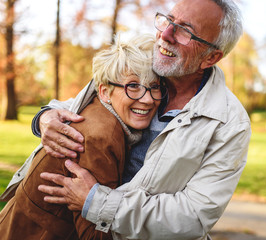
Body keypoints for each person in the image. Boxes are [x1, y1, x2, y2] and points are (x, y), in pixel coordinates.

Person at [2, 0, 251, 239]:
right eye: (168, 21)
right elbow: (80, 103)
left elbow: (194, 216)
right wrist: (44, 118)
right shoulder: (144, 64)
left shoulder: (229, 123)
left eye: (185, 31)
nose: (165, 35)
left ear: (211, 58)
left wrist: (95, 201)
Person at [0, 34, 164, 239]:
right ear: (104, 92)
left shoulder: (104, 112)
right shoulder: (100, 138)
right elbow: (94, 234)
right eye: (133, 85)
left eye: (155, 87)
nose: (147, 99)